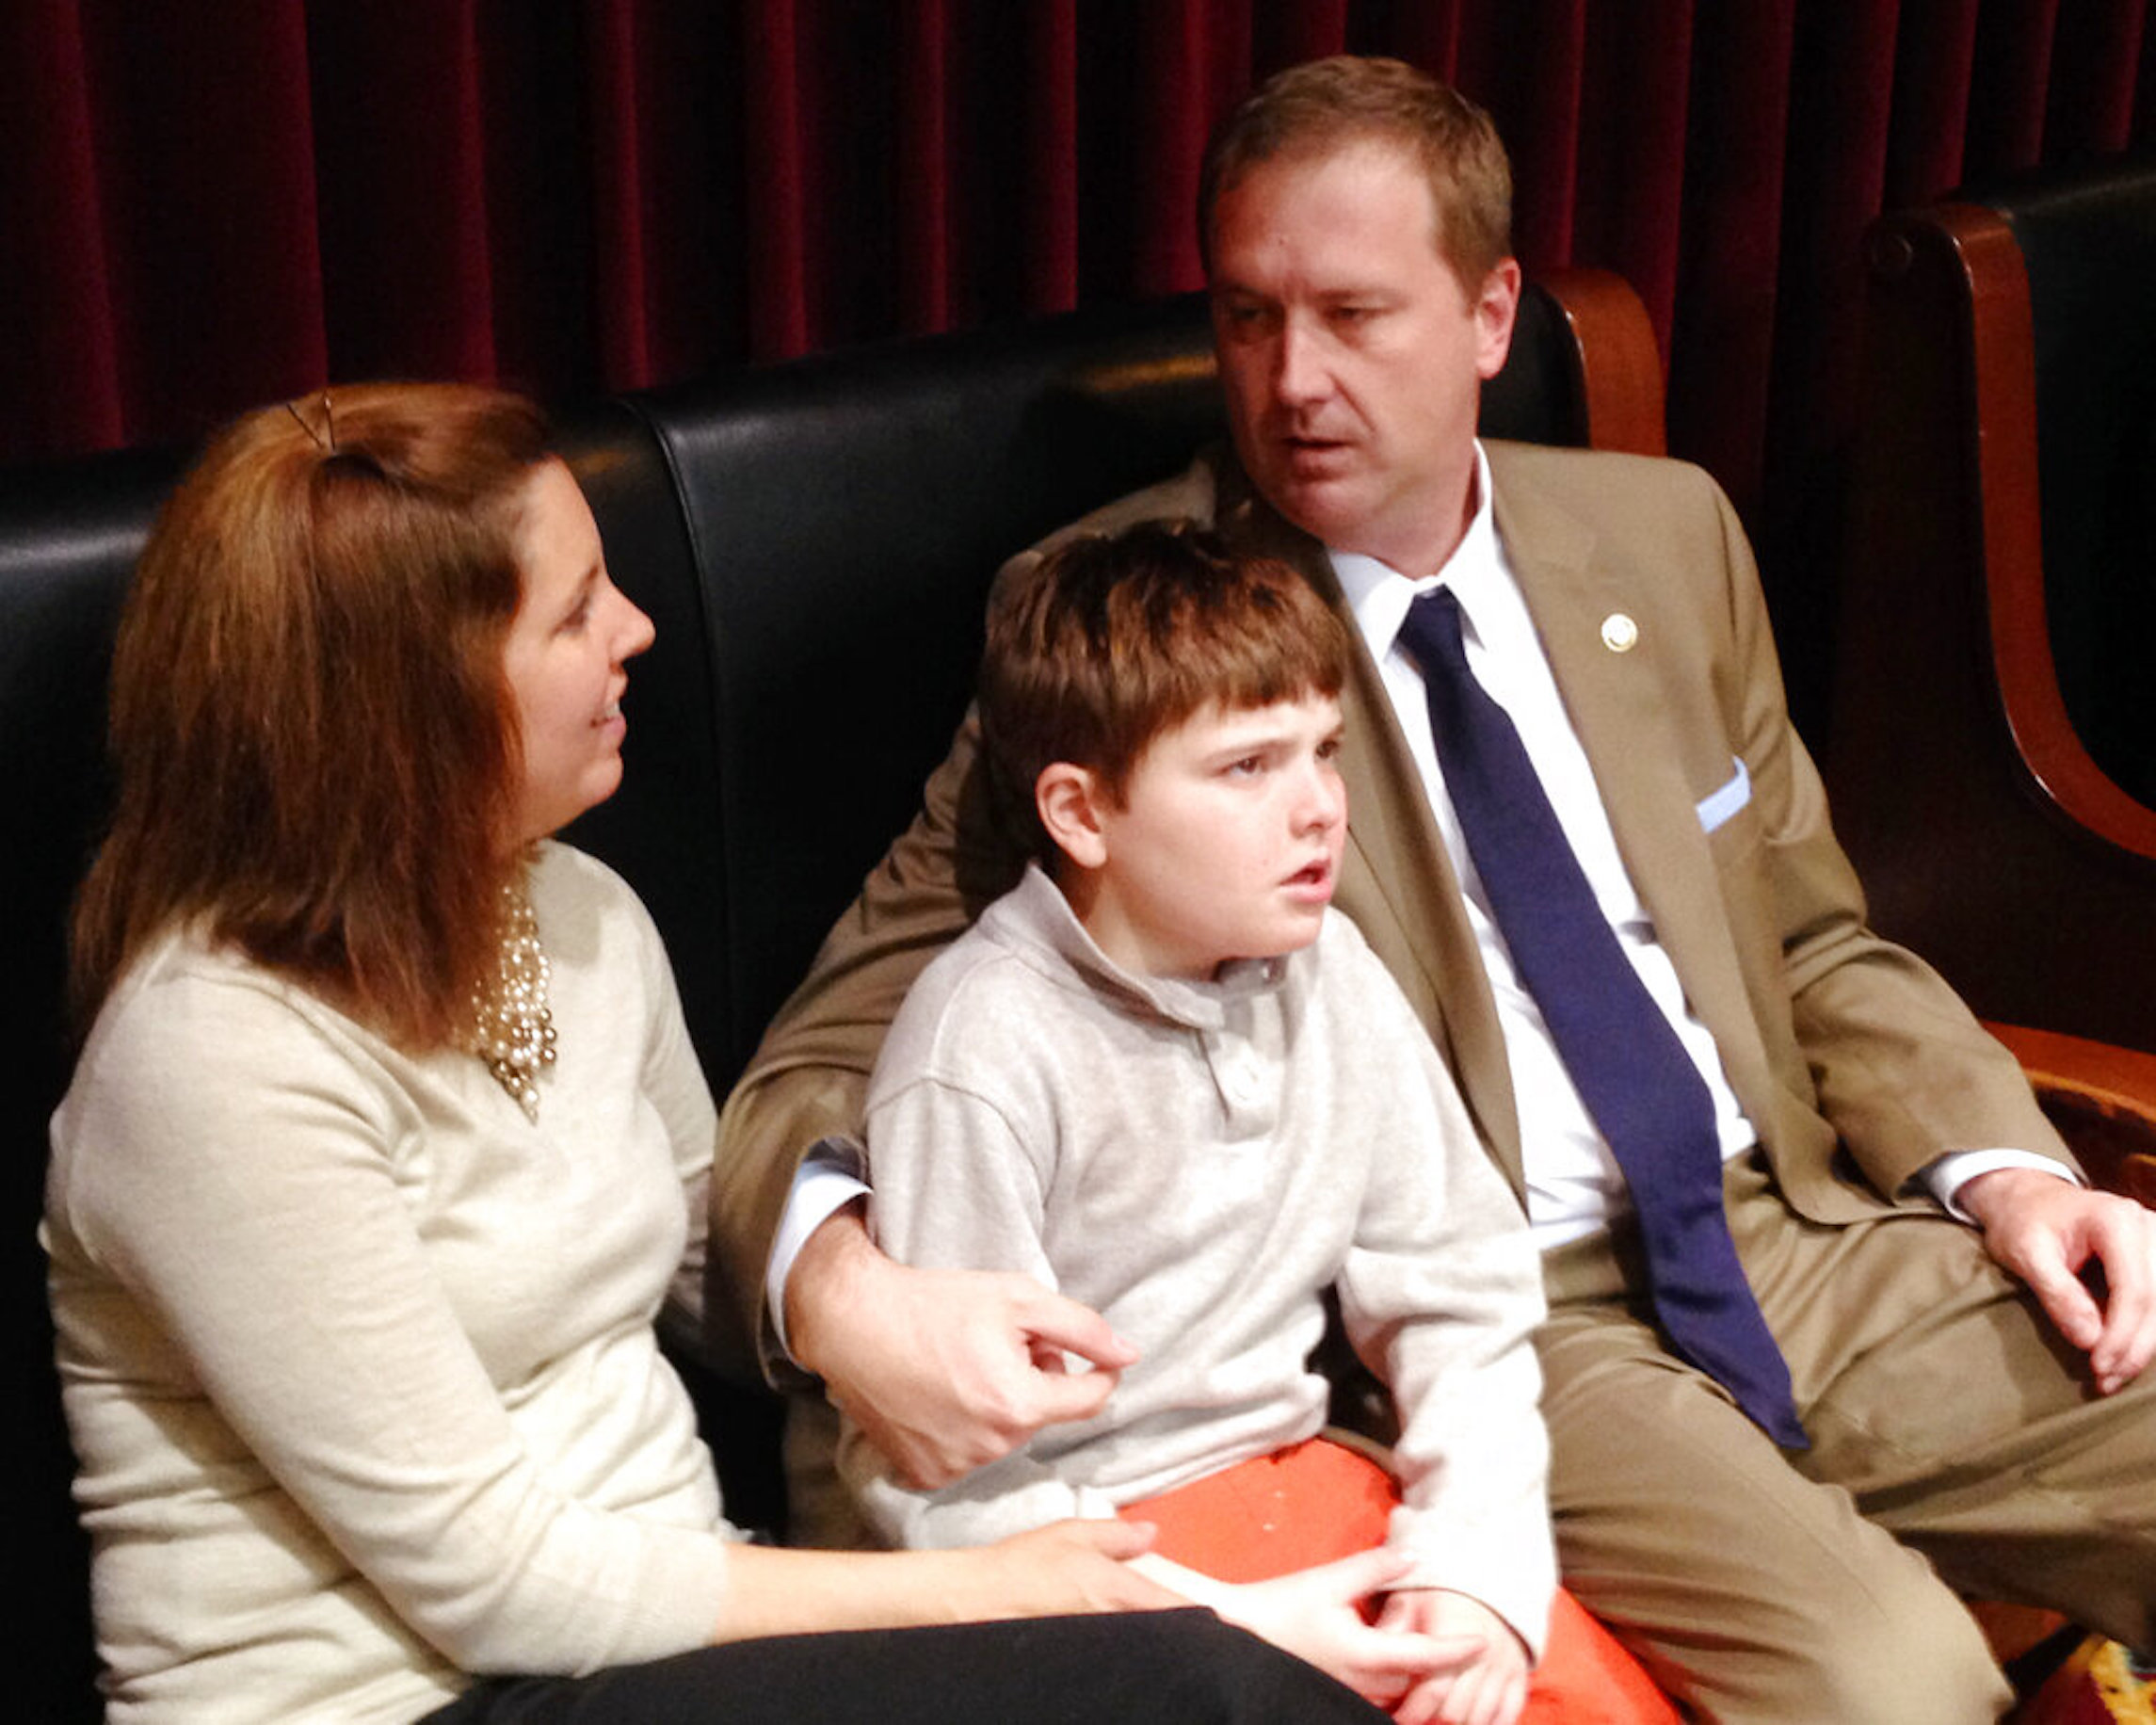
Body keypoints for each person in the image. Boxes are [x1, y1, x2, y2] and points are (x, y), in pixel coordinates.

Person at [713, 56, 2156, 1725]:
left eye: (1353, 314)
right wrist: (840, 1290)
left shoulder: (1666, 533)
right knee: (1885, 1686)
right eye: (1248, 318)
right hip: (1498, 1315)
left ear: (1487, 316)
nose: (1292, 380)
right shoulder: (1138, 627)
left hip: (1789, 1221)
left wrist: (2007, 1177)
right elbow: (838, 1046)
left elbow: (1813, 941)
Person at [41, 383, 1402, 1725]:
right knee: (1201, 1691)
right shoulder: (213, 1059)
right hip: (404, 1697)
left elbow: (712, 1249)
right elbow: (497, 1583)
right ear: (418, 696)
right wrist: (985, 1592)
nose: (634, 628)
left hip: (654, 1651)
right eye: (574, 611)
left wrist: (869, 1302)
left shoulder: (574, 911)